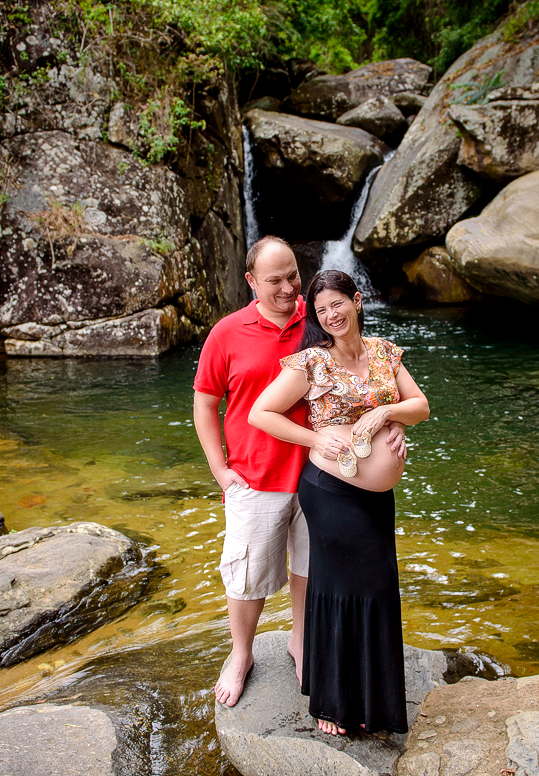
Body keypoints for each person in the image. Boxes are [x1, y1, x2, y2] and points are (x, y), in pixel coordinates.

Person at [193, 239, 405, 708]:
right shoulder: (227, 333)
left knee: (311, 571)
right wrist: (220, 471)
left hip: (324, 482)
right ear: (251, 282)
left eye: (293, 275)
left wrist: (391, 423)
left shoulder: (319, 320)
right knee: (247, 576)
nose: (290, 287)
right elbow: (205, 404)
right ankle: (241, 654)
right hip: (255, 476)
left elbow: (361, 382)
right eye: (276, 280)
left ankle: (300, 640)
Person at [249, 270, 430, 736]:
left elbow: (421, 406)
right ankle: (332, 703)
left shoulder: (386, 353)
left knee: (378, 589)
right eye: (322, 309)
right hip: (330, 491)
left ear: (357, 300)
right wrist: (316, 437)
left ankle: (375, 702)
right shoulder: (310, 362)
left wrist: (387, 413)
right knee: (339, 589)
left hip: (377, 498)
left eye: (338, 305)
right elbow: (260, 413)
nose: (331, 316)